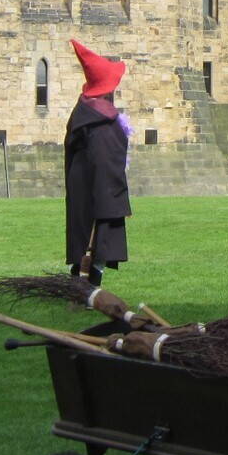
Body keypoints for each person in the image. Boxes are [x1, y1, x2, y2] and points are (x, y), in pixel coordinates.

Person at [64, 39, 131, 286]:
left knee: (88, 236)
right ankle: (88, 284)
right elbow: (106, 163)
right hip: (100, 191)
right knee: (96, 240)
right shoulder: (100, 122)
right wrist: (115, 200)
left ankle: (83, 280)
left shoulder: (85, 113)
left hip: (88, 187)